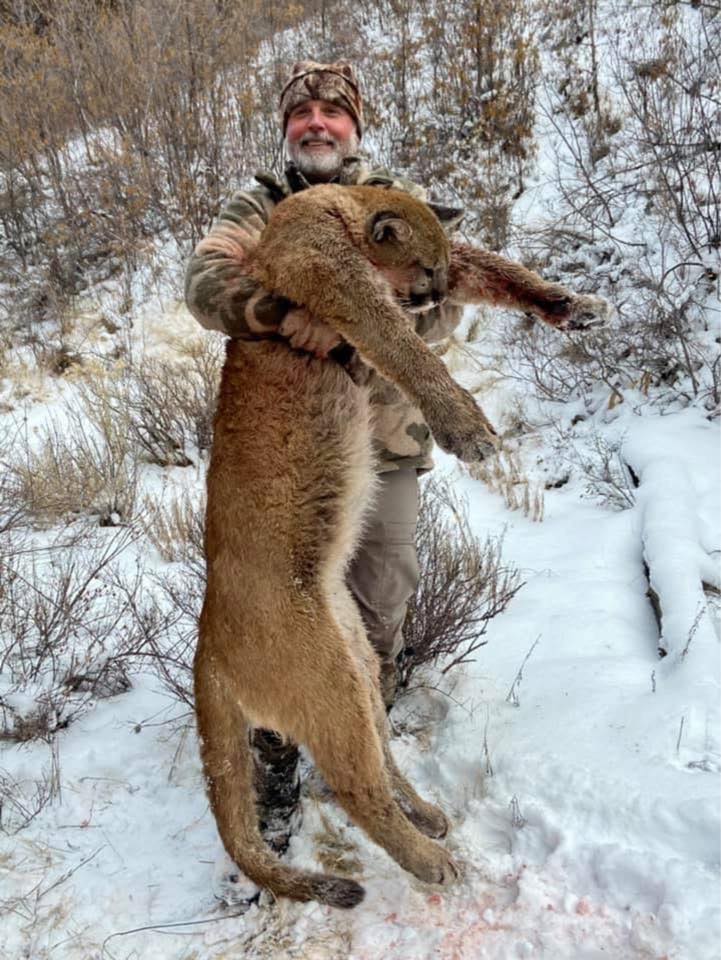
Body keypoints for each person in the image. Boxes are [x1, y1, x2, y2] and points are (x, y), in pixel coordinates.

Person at [185, 60, 463, 854]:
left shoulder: (392, 205)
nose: (315, 121)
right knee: (278, 611)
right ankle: (277, 754)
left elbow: (438, 305)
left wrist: (346, 327)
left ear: (354, 125)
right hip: (285, 463)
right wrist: (279, 310)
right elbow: (205, 286)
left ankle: (358, 753)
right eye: (301, 109)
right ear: (286, 126)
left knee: (378, 601)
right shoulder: (258, 204)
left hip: (383, 446)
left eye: (331, 112)